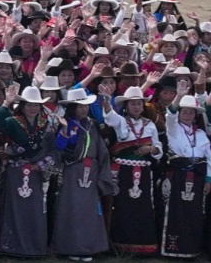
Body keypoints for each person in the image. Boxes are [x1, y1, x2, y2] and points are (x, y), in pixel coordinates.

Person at [51, 87, 114, 261]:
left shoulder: (92, 124)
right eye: (80, 106)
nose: (84, 109)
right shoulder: (65, 123)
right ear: (72, 107)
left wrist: (102, 172)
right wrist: (64, 132)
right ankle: (70, 246)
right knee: (72, 208)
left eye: (85, 106)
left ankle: (89, 247)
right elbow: (59, 148)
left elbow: (102, 149)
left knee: (90, 211)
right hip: (72, 171)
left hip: (92, 171)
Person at [0, 84, 56, 258]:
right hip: (16, 171)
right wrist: (6, 103)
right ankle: (12, 246)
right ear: (22, 106)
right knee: (15, 209)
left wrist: (42, 165)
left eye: (36, 105)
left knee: (35, 210)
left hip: (36, 172)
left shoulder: (47, 124)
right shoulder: (13, 122)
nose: (32, 108)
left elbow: (54, 149)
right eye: (29, 104)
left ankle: (35, 247)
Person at [101, 85, 160, 254]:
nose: (136, 107)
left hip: (143, 171)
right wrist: (107, 100)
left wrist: (150, 149)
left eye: (139, 104)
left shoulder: (150, 125)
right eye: (133, 104)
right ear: (126, 106)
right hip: (123, 171)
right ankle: (120, 245)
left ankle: (142, 245)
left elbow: (158, 147)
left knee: (141, 207)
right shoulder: (121, 121)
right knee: (122, 206)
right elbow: (109, 116)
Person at [162, 93, 211, 258]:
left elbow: (209, 158)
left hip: (197, 178)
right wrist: (180, 95)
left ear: (196, 115)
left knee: (194, 213)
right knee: (177, 212)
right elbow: (170, 114)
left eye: (191, 112)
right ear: (179, 113)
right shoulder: (173, 129)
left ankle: (191, 248)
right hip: (178, 176)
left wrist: (208, 180)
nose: (188, 115)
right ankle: (174, 248)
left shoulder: (201, 134)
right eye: (184, 112)